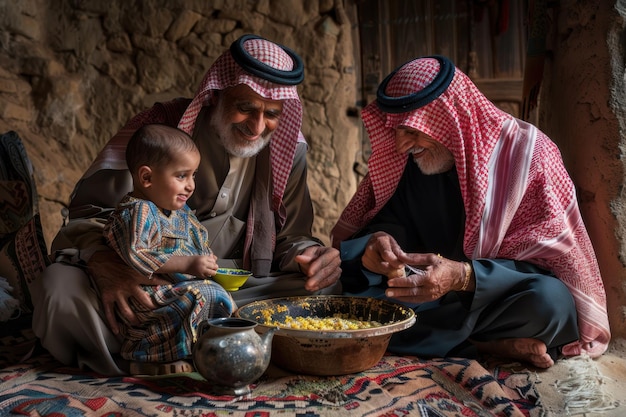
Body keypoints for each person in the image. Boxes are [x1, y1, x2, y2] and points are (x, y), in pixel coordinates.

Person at [31, 34, 342, 376]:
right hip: (149, 279)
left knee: (326, 288)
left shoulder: (289, 150)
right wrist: (104, 262)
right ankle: (217, 350)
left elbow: (292, 238)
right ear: (218, 94)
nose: (257, 127)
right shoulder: (161, 128)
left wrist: (312, 257)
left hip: (236, 284)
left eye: (271, 114)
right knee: (58, 288)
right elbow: (89, 215)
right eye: (245, 108)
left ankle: (178, 349)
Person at [332, 55, 611, 369]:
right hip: (424, 298)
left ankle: (460, 342)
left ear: (448, 119)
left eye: (411, 130)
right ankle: (487, 345)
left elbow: (549, 265)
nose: (400, 146)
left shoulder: (529, 157)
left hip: (495, 297)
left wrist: (464, 277)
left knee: (551, 303)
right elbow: (394, 220)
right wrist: (380, 243)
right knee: (349, 293)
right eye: (395, 131)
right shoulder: (412, 162)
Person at [103, 124, 236, 375]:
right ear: (147, 178)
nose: (191, 186)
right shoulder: (138, 211)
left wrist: (205, 259)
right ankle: (147, 357)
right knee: (201, 296)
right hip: (146, 296)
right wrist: (189, 264)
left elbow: (196, 242)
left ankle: (202, 349)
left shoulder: (180, 212)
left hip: (175, 288)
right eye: (182, 176)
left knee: (220, 296)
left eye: (193, 175)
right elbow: (138, 255)